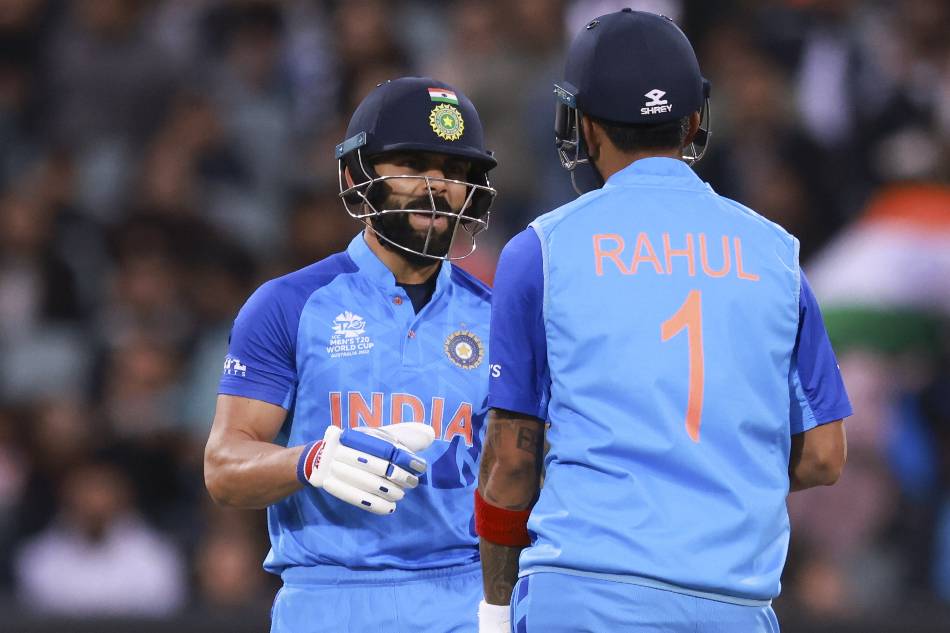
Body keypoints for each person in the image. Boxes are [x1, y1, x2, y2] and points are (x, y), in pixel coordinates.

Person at [474, 10, 852, 633]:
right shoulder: (774, 252)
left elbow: (511, 463)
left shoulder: (542, 249)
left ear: (582, 123)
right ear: (695, 120)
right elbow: (823, 457)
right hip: (734, 604)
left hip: (584, 592)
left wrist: (494, 608)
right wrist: (708, 460)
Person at [204, 76, 498, 632]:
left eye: (454, 170)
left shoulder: (498, 317)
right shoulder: (287, 304)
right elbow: (223, 468)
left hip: (464, 600)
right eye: (414, 164)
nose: (437, 186)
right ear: (355, 176)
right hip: (328, 600)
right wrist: (310, 461)